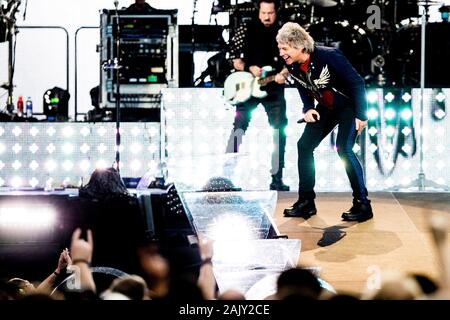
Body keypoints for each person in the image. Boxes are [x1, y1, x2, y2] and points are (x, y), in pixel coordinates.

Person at [277, 22, 373, 222]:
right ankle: (306, 202)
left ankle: (362, 204)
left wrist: (362, 115)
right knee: (304, 146)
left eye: (284, 48)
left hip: (348, 107)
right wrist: (308, 108)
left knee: (343, 149)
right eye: (280, 48)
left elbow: (357, 82)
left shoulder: (329, 56)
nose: (281, 53)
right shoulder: (291, 64)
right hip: (326, 108)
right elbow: (302, 85)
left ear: (300, 46)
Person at [226, 0, 289, 191]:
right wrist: (248, 67)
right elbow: (233, 59)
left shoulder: (285, 32)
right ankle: (226, 175)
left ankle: (277, 179)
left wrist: (284, 74)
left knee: (279, 132)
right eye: (263, 13)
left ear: (276, 12)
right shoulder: (246, 29)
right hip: (248, 87)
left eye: (270, 13)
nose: (267, 17)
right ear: (258, 11)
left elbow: (295, 58)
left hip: (273, 88)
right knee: (238, 129)